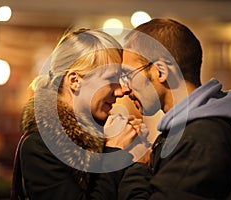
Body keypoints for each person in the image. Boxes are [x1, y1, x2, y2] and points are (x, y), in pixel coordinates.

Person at [118, 18, 231, 199]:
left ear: (160, 71)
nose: (125, 88)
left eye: (129, 75)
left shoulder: (201, 138)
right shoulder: (187, 131)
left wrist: (137, 165)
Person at [10, 28, 142, 200]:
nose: (121, 90)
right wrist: (114, 153)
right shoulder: (40, 146)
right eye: (111, 79)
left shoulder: (110, 134)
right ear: (75, 81)